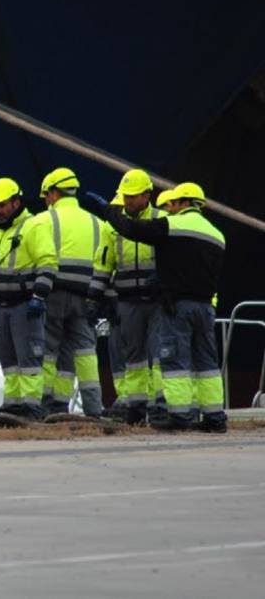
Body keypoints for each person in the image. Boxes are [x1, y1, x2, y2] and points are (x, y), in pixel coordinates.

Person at [80, 182, 227, 432]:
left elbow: (132, 229)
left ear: (184, 203)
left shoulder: (173, 225)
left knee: (174, 361)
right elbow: (194, 268)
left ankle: (180, 416)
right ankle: (215, 417)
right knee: (207, 364)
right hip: (205, 307)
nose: (169, 207)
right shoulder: (217, 235)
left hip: (177, 307)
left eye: (173, 203)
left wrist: (108, 210)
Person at [0, 177, 57, 418]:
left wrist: (39, 297)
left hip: (24, 306)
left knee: (29, 358)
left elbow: (48, 263)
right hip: (2, 306)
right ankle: (13, 403)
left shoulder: (33, 227)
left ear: (16, 203)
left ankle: (31, 405)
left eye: (1, 205)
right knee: (8, 362)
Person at [87, 169, 165, 424]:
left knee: (157, 354)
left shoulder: (161, 220)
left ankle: (159, 405)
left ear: (147, 196)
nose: (128, 201)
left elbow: (174, 260)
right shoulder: (114, 228)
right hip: (128, 301)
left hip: (156, 302)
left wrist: (164, 281)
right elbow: (103, 265)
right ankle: (136, 406)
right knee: (134, 357)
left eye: (133, 197)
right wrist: (93, 299)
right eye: (126, 197)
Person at [31, 167, 103, 416]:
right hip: (87, 297)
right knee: (83, 352)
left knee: (48, 351)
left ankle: (44, 406)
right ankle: (93, 408)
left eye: (45, 196)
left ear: (53, 193)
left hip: (53, 294)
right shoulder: (97, 223)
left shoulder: (43, 220)